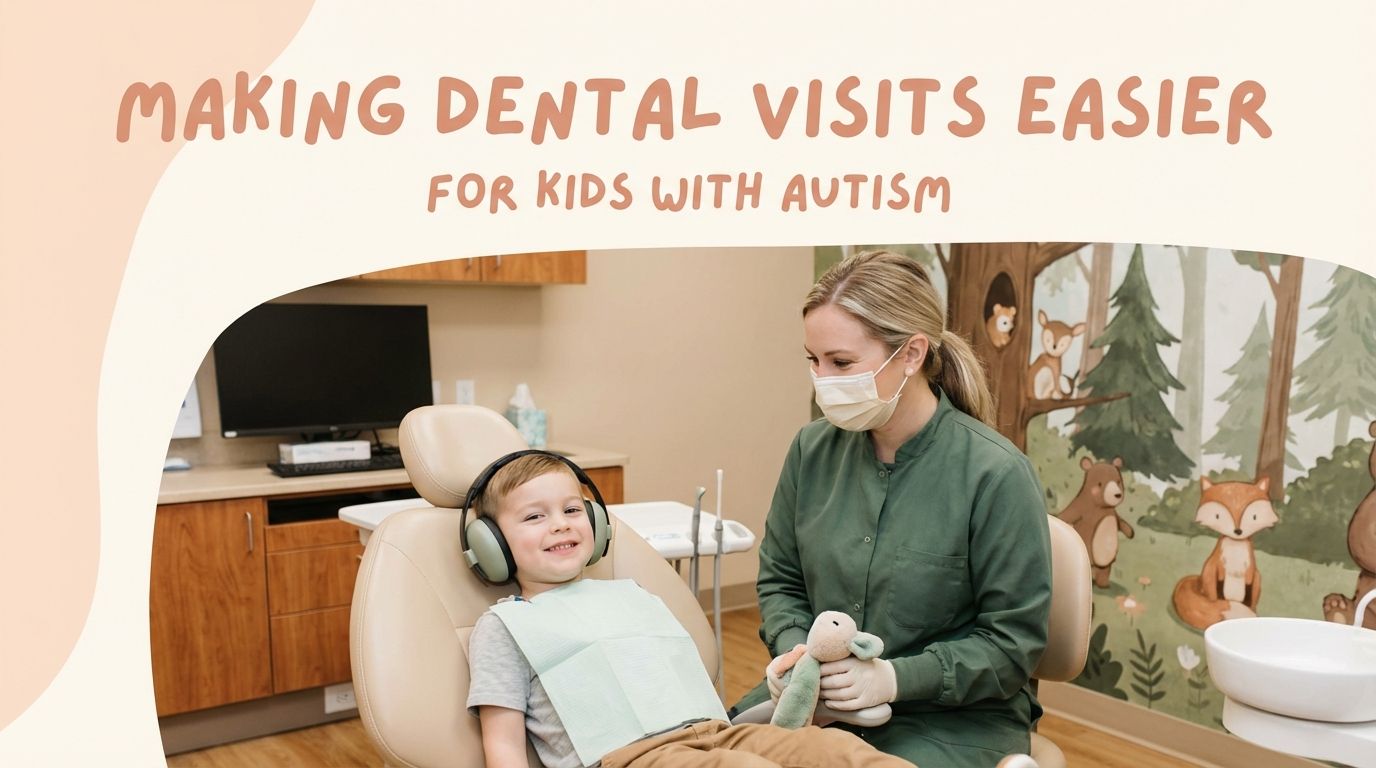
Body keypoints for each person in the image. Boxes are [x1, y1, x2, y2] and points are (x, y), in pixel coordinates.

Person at [732, 250, 1054, 767]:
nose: (822, 380)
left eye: (841, 363)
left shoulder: (995, 475)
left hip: (948, 719)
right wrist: (797, 654)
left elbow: (1010, 644)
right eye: (812, 361)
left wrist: (893, 678)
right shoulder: (811, 451)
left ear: (910, 354)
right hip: (816, 698)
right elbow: (781, 582)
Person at [465, 451, 917, 768]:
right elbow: (502, 746)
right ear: (493, 544)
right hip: (630, 757)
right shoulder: (507, 626)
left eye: (570, 509)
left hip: (717, 735)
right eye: (534, 517)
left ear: (598, 524)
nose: (560, 523)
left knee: (842, 755)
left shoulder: (634, 593)